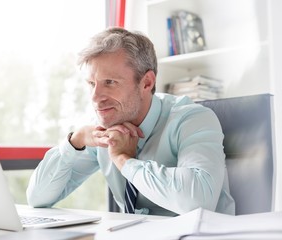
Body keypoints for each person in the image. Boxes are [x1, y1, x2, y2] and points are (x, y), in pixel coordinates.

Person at [26, 27, 235, 216]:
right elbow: (37, 198)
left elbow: (197, 202)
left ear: (147, 82)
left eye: (110, 82)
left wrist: (125, 160)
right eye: (91, 83)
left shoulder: (192, 119)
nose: (95, 97)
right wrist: (75, 142)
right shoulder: (103, 130)